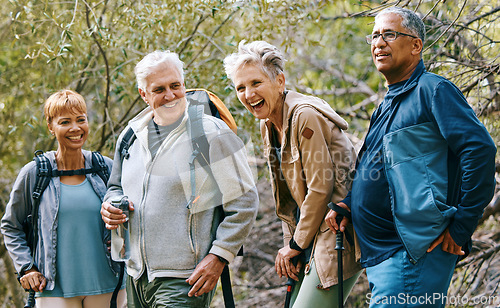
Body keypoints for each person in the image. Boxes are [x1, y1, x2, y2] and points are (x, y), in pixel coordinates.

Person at [325, 7, 497, 308]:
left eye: (389, 34)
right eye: (375, 36)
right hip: (387, 254)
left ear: (416, 45)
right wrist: (349, 205)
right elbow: (382, 168)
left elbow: (480, 150)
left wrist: (462, 225)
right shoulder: (387, 103)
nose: (379, 42)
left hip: (414, 250)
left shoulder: (433, 91)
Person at [100, 50, 259, 308]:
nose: (170, 95)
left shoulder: (211, 134)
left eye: (175, 86)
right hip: (135, 276)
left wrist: (219, 255)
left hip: (185, 279)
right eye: (159, 89)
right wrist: (110, 206)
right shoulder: (130, 136)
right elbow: (114, 187)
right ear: (144, 95)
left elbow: (245, 202)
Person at [224, 40, 362, 307]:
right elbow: (287, 197)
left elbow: (320, 189)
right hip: (313, 231)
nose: (248, 94)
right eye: (241, 87)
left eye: (255, 83)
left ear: (279, 81)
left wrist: (296, 245)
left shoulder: (304, 116)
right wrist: (292, 245)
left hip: (338, 230)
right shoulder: (268, 124)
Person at [1, 90, 126, 307]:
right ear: (51, 127)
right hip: (53, 289)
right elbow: (11, 227)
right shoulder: (35, 173)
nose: (75, 128)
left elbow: (130, 216)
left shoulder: (104, 168)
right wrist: (27, 267)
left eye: (81, 120)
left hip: (109, 284)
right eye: (65, 122)